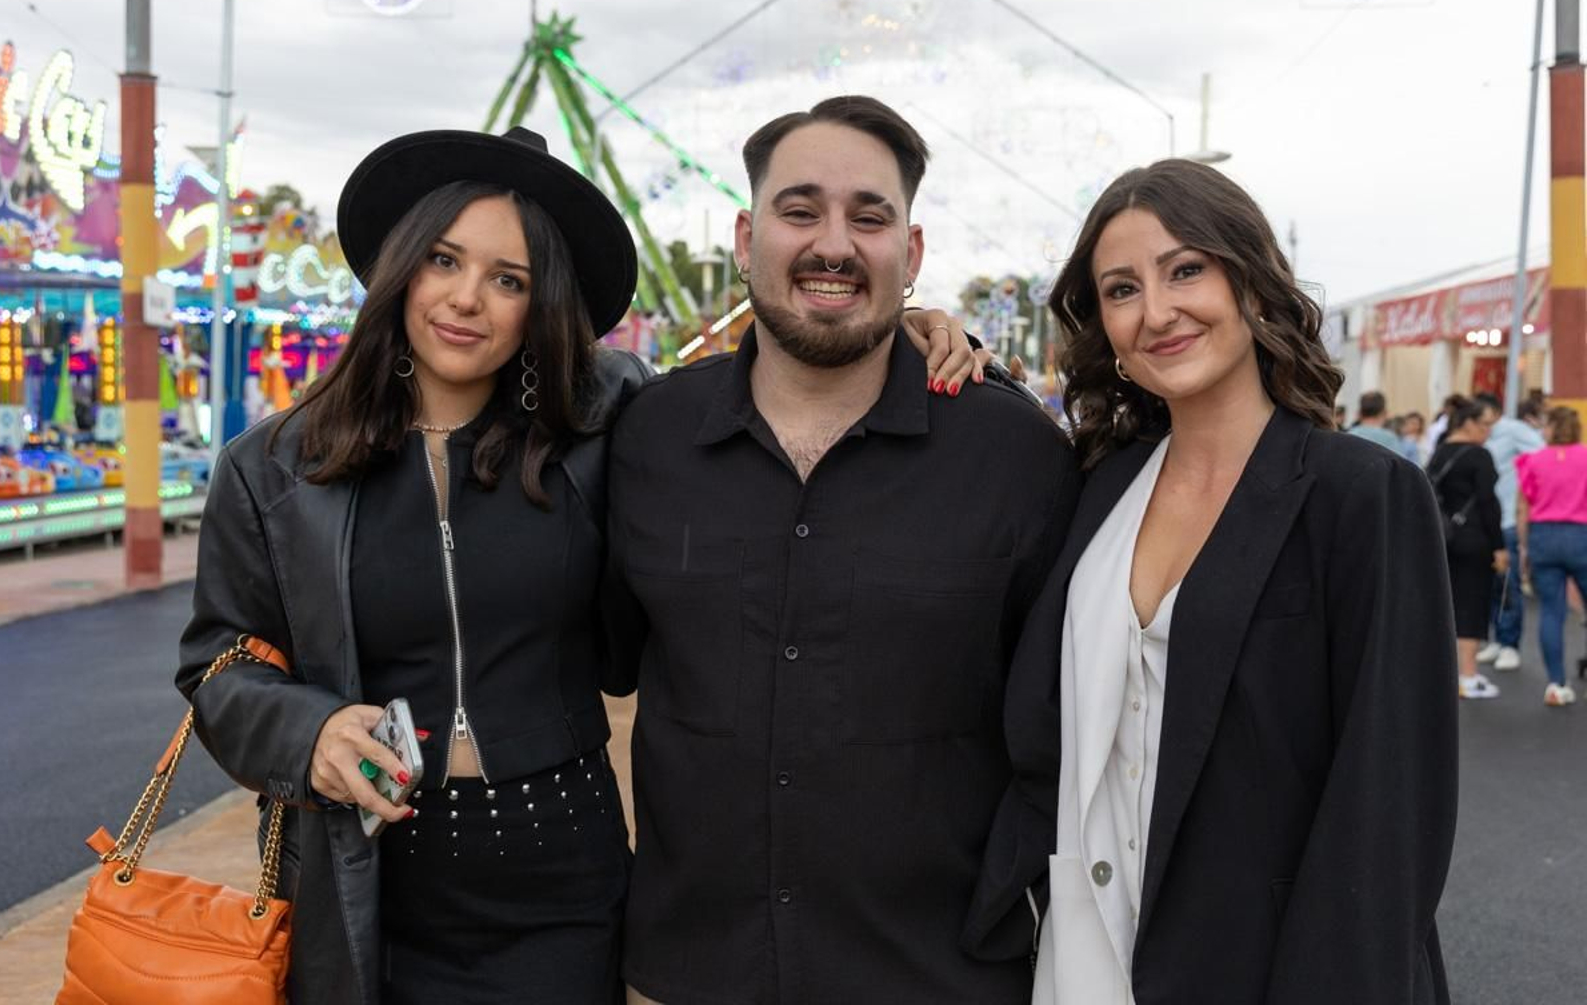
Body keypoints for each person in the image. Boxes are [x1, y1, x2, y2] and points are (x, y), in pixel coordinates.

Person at [175, 125, 993, 1004]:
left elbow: (766, 386)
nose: (467, 299)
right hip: (360, 881)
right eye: (444, 261)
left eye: (509, 279)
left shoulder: (605, 420)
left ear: (541, 303)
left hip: (563, 886)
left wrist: (901, 329)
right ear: (401, 267)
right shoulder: (276, 468)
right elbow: (217, 661)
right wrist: (309, 732)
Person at [603, 95, 1082, 1003]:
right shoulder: (647, 439)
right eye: (800, 210)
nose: (834, 244)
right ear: (746, 238)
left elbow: (1067, 734)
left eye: (869, 217)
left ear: (913, 251)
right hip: (690, 974)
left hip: (939, 977)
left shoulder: (1016, 455)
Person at [968, 159, 1456, 1004]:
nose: (1157, 311)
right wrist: (922, 334)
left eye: (1185, 269)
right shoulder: (1099, 486)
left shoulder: (1362, 494)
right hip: (1078, 958)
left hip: (1264, 968)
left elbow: (1388, 806)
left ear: (1252, 285)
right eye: (1122, 289)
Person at [1427, 398, 1507, 700]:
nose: (1488, 431)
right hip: (1475, 539)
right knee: (1472, 604)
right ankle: (1469, 675)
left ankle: (1445, 674)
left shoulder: (1439, 452)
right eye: (1485, 424)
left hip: (1443, 537)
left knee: (1445, 603)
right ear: (1469, 423)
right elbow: (1488, 503)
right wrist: (1499, 547)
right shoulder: (1479, 456)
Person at [1516, 405, 1587, 706]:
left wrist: (1524, 546)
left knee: (1551, 612)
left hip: (1544, 536)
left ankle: (1556, 683)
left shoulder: (1532, 460)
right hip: (1581, 534)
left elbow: (1523, 508)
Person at [1474, 393, 1544, 672]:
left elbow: (1541, 454)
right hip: (1486, 520)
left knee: (1508, 584)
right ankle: (1495, 637)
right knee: (1489, 583)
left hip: (1507, 518)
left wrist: (1524, 488)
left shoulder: (1514, 430)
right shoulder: (1481, 434)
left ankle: (1509, 644)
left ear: (1493, 411)